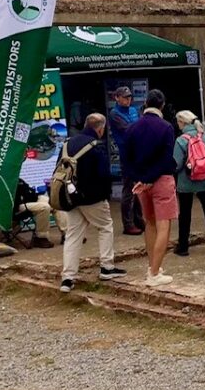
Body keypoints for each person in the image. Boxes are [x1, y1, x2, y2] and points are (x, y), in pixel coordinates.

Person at [59, 113, 124, 293]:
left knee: (73, 235)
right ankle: (107, 267)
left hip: (71, 198)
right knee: (105, 227)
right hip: (92, 198)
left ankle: (68, 277)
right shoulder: (96, 146)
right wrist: (106, 194)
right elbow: (103, 175)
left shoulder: (67, 144)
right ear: (100, 128)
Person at [123, 89, 179, 287]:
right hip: (161, 179)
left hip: (141, 182)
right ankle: (154, 273)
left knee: (150, 223)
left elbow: (126, 159)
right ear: (162, 105)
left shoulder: (132, 128)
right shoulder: (166, 127)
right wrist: (150, 178)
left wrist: (139, 179)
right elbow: (166, 158)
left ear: (145, 103)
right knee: (164, 225)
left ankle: (152, 266)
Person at [173, 110, 205, 257]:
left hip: (186, 182)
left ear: (182, 123)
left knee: (185, 214)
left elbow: (176, 164)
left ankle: (183, 247)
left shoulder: (181, 140)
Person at [108, 86, 145, 236]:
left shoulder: (134, 110)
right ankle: (128, 224)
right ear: (116, 98)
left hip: (138, 153)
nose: (127, 99)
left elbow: (138, 127)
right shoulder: (114, 113)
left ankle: (138, 219)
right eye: (124, 97)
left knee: (138, 188)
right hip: (127, 155)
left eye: (129, 97)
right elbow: (129, 129)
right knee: (129, 190)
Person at [14, 178, 54, 248]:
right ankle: (41, 238)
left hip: (32, 199)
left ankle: (65, 233)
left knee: (54, 202)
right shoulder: (4, 181)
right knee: (44, 207)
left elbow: (28, 190)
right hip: (18, 206)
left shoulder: (18, 179)